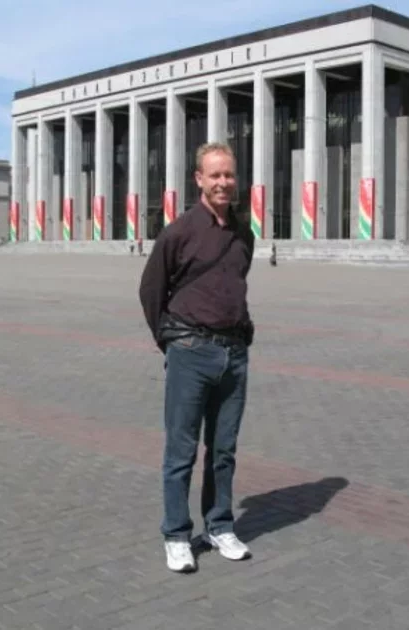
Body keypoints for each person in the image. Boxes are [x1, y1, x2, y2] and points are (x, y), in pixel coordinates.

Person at [138, 142, 255, 573]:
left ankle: (220, 526)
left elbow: (237, 283)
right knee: (181, 451)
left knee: (223, 450)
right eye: (215, 175)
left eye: (229, 174)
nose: (223, 182)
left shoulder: (243, 234)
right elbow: (151, 290)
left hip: (234, 356)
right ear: (199, 179)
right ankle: (176, 535)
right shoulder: (179, 232)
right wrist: (170, 342)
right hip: (190, 352)